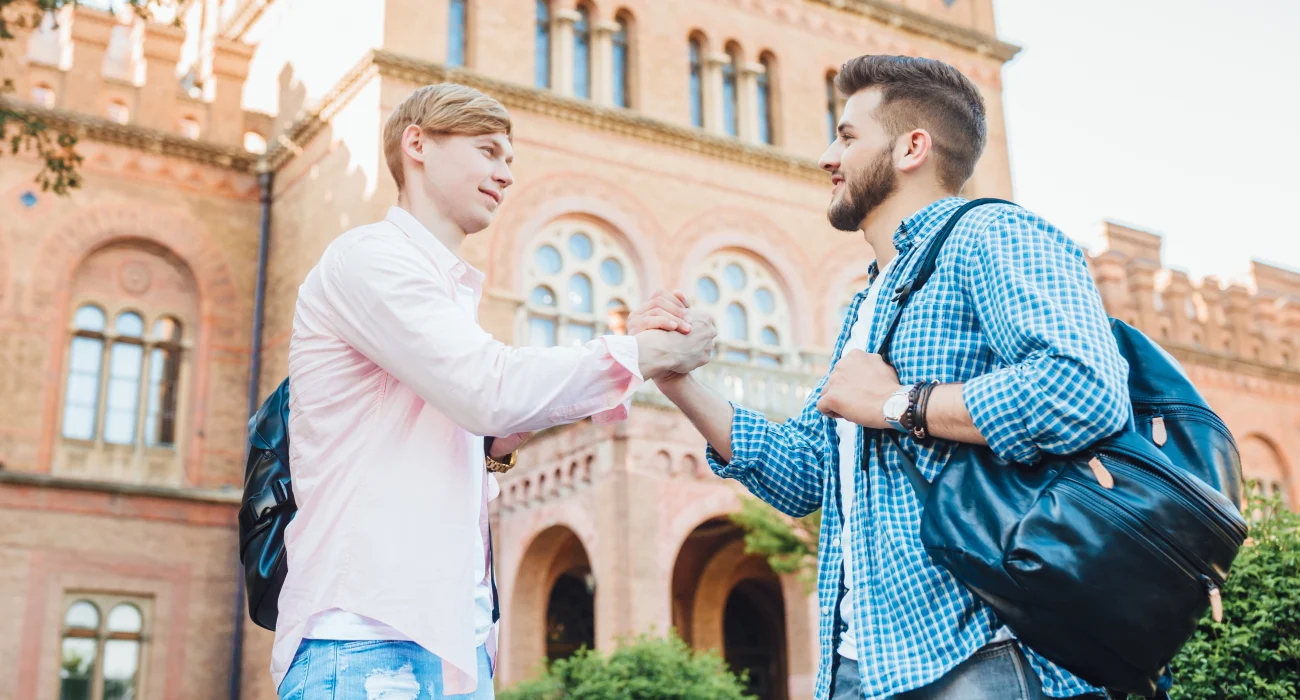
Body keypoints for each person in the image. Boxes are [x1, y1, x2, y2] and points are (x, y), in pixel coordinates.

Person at [631, 55, 1126, 700]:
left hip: (983, 655)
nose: (825, 156)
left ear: (911, 147)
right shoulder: (871, 303)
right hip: (861, 665)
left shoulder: (997, 234)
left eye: (846, 135)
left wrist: (897, 404)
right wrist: (674, 377)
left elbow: (1083, 389)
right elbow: (805, 473)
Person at [273, 83, 717, 700]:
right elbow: (490, 389)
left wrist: (624, 351)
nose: (505, 175)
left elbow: (487, 431)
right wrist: (642, 355)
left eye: (509, 159)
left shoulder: (444, 291)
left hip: (453, 639)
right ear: (418, 144)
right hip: (366, 637)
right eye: (488, 151)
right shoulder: (370, 259)